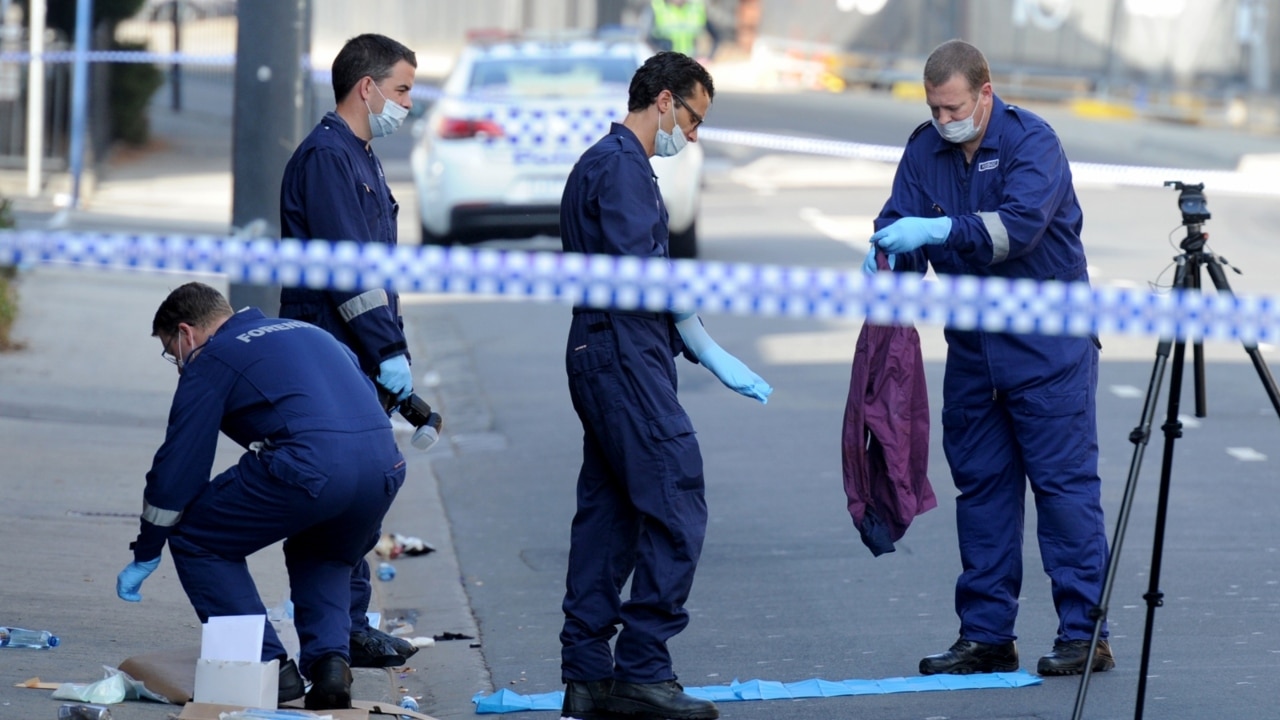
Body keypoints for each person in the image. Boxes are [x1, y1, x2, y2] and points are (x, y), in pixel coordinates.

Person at [864, 39, 1115, 677]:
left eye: (953, 108)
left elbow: (1016, 229)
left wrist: (938, 230)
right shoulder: (925, 149)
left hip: (1047, 349)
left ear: (985, 91)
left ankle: (1086, 636)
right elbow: (902, 224)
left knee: (1064, 495)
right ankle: (985, 636)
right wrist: (889, 255)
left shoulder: (1034, 144)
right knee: (982, 494)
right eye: (934, 109)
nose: (945, 122)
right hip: (975, 352)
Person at [557, 51, 771, 720]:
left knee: (611, 511)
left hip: (606, 351)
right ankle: (644, 669)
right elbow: (639, 273)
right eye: (695, 119)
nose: (694, 136)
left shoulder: (606, 161)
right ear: (665, 102)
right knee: (676, 495)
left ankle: (588, 675)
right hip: (624, 354)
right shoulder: (621, 168)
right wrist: (701, 341)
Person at [115, 282, 406, 710]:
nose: (176, 363)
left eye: (171, 351)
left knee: (198, 537)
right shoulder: (308, 332)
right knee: (325, 552)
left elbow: (181, 463)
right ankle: (330, 666)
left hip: (311, 465)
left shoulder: (212, 359)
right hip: (384, 467)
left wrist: (149, 545)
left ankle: (268, 666)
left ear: (185, 333)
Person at [278, 33, 418, 669]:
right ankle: (334, 638)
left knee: (361, 492)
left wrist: (391, 353)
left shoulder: (360, 155)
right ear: (368, 88)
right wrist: (387, 351)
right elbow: (349, 273)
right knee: (335, 496)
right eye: (402, 90)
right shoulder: (329, 158)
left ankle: (349, 627)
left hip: (353, 357)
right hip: (326, 356)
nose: (407, 104)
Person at [643, 0, 720, 59]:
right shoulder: (657, 8)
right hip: (665, 64)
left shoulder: (697, 8)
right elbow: (646, 38)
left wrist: (708, 57)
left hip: (691, 63)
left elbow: (716, 36)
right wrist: (659, 58)